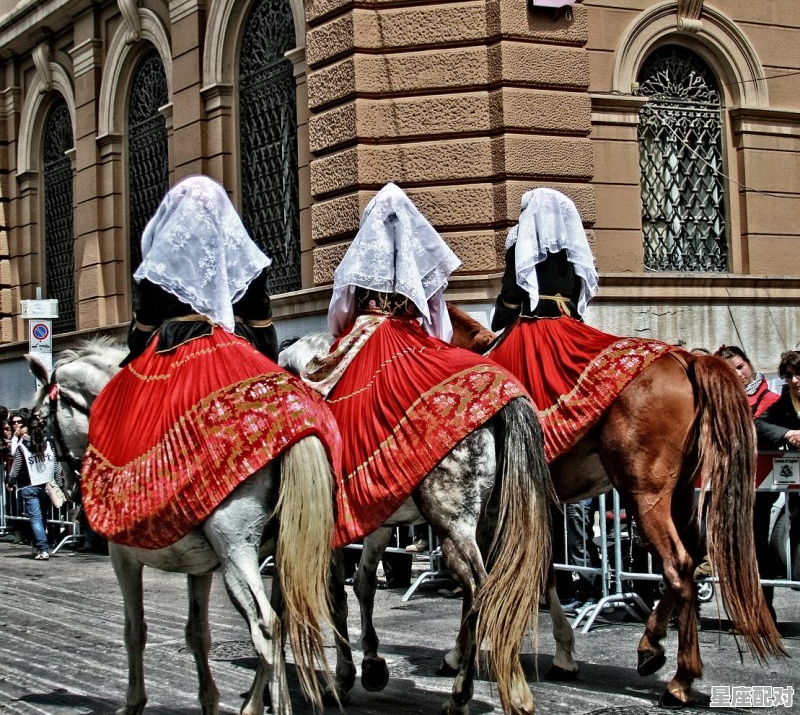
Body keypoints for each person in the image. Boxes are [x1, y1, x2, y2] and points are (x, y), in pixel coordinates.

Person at [82, 175, 339, 549]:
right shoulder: (247, 261)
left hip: (171, 350)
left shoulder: (159, 268)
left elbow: (139, 337)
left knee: (117, 416)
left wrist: (137, 362)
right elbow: (264, 330)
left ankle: (144, 510)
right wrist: (266, 374)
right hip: (235, 348)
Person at [301, 182, 528, 551]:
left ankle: (336, 494)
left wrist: (350, 333)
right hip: (411, 336)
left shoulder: (359, 260)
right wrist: (430, 346)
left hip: (366, 334)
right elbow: (437, 319)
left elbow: (339, 315)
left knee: (324, 401)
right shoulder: (420, 260)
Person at [488, 188, 676, 610]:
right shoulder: (572, 246)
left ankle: (516, 465)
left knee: (488, 393)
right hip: (573, 327)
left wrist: (501, 316)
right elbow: (581, 294)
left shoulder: (521, 241)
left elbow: (512, 298)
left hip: (532, 332)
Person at [754, 350, 800, 618]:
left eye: (798, 374)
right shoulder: (785, 402)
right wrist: (788, 433)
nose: (795, 381)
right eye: (789, 376)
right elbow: (760, 423)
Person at [6, 422, 64, 560]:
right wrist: (59, 485)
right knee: (42, 517)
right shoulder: (49, 445)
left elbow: (16, 468)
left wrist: (10, 483)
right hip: (47, 485)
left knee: (35, 519)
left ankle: (42, 548)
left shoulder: (22, 447)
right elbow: (55, 466)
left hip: (29, 486)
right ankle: (39, 546)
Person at [714, 344, 780, 418]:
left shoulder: (771, 398)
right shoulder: (721, 398)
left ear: (748, 363)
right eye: (731, 371)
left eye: (740, 367)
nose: (738, 374)